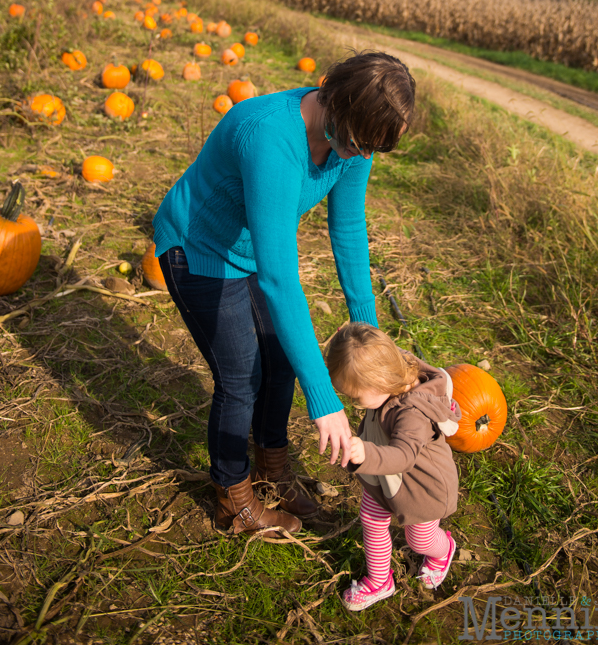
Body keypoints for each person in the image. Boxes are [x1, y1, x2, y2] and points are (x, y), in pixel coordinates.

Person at [153, 50, 415, 537]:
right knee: (241, 377)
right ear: (335, 100)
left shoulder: (354, 141)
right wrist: (324, 399)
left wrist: (369, 334)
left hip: (252, 253)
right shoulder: (270, 136)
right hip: (198, 250)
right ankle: (234, 500)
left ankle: (273, 466)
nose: (360, 157)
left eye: (370, 149)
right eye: (358, 144)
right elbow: (279, 278)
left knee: (280, 361)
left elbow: (349, 229)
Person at [326, 322, 461, 611]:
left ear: (379, 383)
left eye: (355, 397)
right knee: (372, 519)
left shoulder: (411, 413)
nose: (353, 403)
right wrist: (348, 338)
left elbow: (404, 456)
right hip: (386, 480)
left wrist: (366, 453)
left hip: (421, 488)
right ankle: (380, 581)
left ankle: (443, 551)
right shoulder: (389, 371)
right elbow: (375, 350)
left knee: (419, 539)